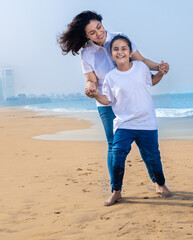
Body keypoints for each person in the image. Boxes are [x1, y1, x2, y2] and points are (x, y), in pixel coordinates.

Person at [58, 11, 169, 196]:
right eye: (92, 32)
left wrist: (159, 67)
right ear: (86, 36)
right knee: (114, 145)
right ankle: (115, 190)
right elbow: (91, 79)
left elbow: (141, 61)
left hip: (130, 99)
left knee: (144, 144)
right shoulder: (87, 53)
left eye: (99, 27)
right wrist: (89, 87)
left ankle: (158, 183)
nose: (98, 33)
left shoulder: (120, 39)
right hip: (106, 102)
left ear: (102, 24)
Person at [90, 35, 170, 206]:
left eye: (124, 48)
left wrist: (161, 73)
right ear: (111, 54)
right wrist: (96, 94)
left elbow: (152, 81)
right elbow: (108, 101)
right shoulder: (111, 77)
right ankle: (116, 191)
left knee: (153, 157)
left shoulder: (141, 67)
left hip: (146, 122)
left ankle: (160, 184)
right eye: (116, 49)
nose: (120, 52)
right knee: (117, 155)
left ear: (129, 51)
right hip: (124, 124)